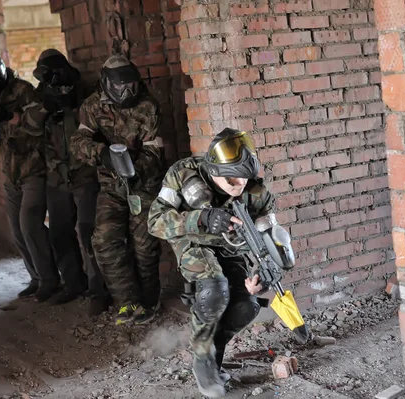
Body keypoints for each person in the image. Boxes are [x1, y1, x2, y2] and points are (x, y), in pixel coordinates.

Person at [147, 128, 295, 398]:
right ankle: (202, 359)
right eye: (232, 179)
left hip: (229, 248)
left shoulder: (255, 191)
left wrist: (261, 274)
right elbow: (155, 222)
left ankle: (213, 355)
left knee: (246, 306)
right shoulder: (183, 174)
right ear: (214, 168)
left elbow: (266, 238)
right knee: (214, 291)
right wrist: (200, 219)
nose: (240, 185)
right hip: (192, 241)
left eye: (245, 178)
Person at [70, 54, 166, 325]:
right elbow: (78, 141)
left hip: (144, 185)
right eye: (121, 87)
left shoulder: (148, 107)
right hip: (111, 186)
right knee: (105, 241)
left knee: (145, 245)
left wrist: (135, 169)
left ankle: (149, 300)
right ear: (107, 85)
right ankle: (126, 303)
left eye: (132, 86)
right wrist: (101, 154)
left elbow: (154, 151)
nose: (128, 92)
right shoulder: (92, 107)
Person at [18, 49, 110, 312]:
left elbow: (99, 123)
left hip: (84, 173)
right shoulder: (40, 95)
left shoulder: (85, 93)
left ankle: (98, 290)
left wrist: (73, 101)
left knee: (88, 230)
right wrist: (48, 104)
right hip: (56, 175)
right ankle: (73, 284)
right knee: (60, 233)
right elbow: (29, 125)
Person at [0, 49, 58, 300]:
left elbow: (39, 125)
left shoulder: (22, 89)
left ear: (3, 66)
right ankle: (36, 278)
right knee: (17, 231)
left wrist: (11, 116)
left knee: (30, 227)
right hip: (10, 173)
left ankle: (50, 279)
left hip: (33, 168)